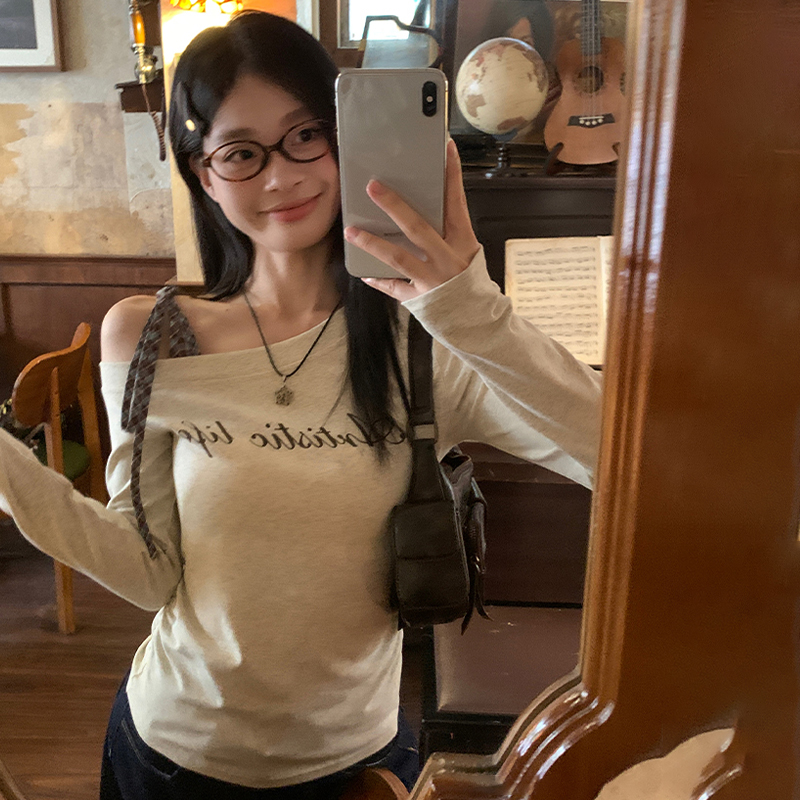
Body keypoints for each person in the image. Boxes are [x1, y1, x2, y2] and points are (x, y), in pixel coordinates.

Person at [0, 10, 602, 799]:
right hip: (174, 753)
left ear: (348, 138)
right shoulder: (151, 337)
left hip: (359, 765)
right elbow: (148, 571)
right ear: (204, 176)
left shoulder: (425, 342)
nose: (280, 177)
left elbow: (623, 461)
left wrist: (468, 308)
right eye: (241, 152)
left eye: (306, 136)